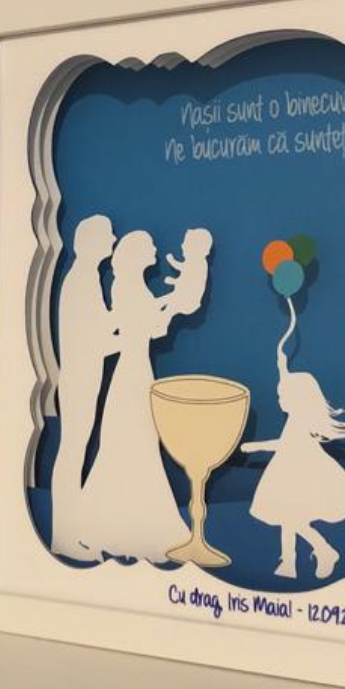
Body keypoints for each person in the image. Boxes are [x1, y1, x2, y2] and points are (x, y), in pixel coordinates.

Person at [79, 231, 204, 561]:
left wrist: (171, 302)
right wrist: (172, 304)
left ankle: (126, 519)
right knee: (132, 440)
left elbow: (150, 323)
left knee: (136, 442)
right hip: (132, 372)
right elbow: (146, 326)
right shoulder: (127, 288)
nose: (154, 252)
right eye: (149, 247)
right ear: (135, 254)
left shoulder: (131, 287)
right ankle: (127, 524)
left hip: (135, 369)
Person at [242, 299, 345, 579]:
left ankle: (321, 551)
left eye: (282, 396)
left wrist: (256, 446)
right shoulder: (296, 415)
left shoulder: (300, 422)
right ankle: (289, 562)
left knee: (290, 518)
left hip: (300, 475)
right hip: (290, 472)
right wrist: (281, 364)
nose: (279, 400)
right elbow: (287, 381)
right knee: (288, 518)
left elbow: (285, 445)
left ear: (296, 398)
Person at [50, 215, 118, 560]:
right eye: (108, 235)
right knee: (72, 453)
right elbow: (94, 341)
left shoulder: (87, 278)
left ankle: (71, 531)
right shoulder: (81, 282)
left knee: (74, 451)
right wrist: (133, 337)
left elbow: (100, 329)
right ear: (91, 242)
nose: (113, 239)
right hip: (80, 380)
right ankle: (64, 535)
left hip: (84, 378)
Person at [161, 228, 213, 316]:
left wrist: (172, 262)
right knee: (166, 303)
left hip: (186, 300)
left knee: (167, 306)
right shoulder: (197, 263)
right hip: (185, 298)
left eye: (186, 244)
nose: (182, 246)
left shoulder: (198, 263)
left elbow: (190, 282)